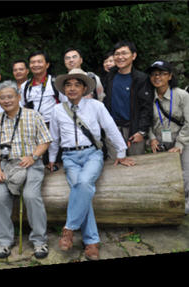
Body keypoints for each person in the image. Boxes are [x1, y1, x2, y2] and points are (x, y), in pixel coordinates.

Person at [48, 68, 135, 261]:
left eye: (77, 85)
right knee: (83, 190)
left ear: (85, 88)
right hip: (69, 158)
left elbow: (110, 128)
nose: (72, 88)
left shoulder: (95, 105)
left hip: (92, 154)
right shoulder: (57, 110)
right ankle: (91, 242)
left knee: (84, 183)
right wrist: (52, 159)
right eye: (68, 85)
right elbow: (54, 137)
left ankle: (69, 228)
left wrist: (121, 152)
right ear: (63, 89)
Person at [0, 80, 53, 259]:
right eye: (2, 98)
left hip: (30, 164)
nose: (6, 101)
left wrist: (33, 157)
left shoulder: (33, 115)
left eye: (10, 97)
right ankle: (4, 242)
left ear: (18, 97)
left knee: (31, 195)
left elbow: (45, 140)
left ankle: (39, 241)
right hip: (6, 165)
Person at [146, 60, 189, 214]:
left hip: (182, 141)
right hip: (160, 142)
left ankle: (185, 202)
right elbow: (146, 121)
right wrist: (151, 138)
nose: (158, 77)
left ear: (170, 76)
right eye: (154, 74)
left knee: (185, 173)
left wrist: (180, 143)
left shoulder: (182, 95)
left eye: (162, 74)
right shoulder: (148, 96)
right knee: (163, 174)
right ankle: (169, 202)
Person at [103, 40, 153, 159]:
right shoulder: (110, 76)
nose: (120, 57)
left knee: (136, 163)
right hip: (113, 128)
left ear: (134, 56)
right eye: (117, 54)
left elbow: (146, 107)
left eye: (124, 53)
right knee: (114, 163)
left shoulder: (141, 79)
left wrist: (141, 131)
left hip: (133, 129)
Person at [20, 50, 65, 169]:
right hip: (34, 128)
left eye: (39, 61)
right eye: (32, 62)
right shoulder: (25, 86)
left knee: (57, 160)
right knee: (38, 160)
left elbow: (65, 105)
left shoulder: (55, 82)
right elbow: (22, 107)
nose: (36, 65)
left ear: (47, 64)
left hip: (54, 125)